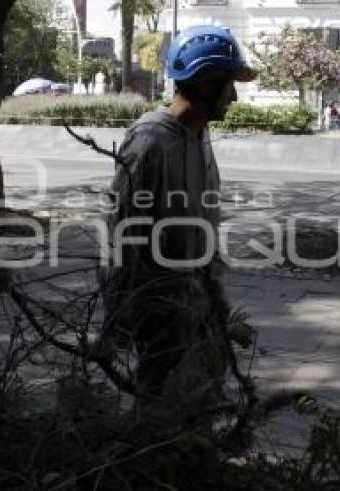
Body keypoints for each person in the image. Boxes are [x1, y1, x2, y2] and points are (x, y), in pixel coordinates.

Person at [100, 25, 258, 412]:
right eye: (228, 84)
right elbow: (121, 232)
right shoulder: (150, 142)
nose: (233, 96)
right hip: (161, 313)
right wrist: (118, 315)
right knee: (158, 413)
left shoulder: (200, 136)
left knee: (199, 405)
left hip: (200, 307)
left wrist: (216, 296)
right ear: (204, 81)